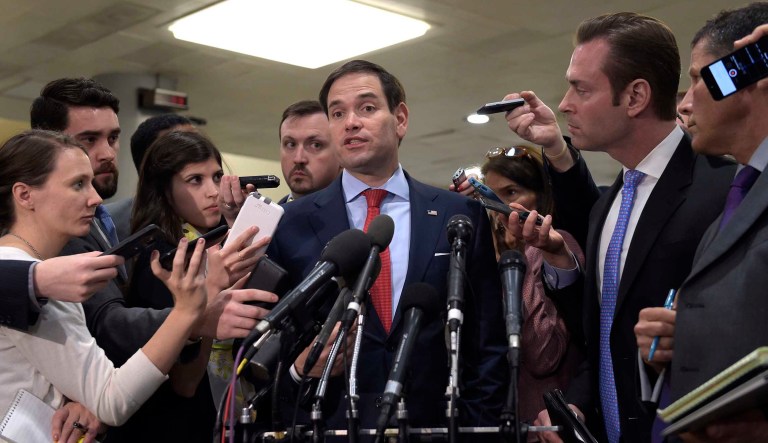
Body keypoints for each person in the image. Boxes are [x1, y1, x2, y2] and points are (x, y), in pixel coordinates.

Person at [502, 13, 735, 443]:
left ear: (635, 97)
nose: (566, 103)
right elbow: (606, 334)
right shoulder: (607, 207)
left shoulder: (722, 190)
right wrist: (578, 403)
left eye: (581, 88)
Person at [266, 59, 507, 430]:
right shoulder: (291, 225)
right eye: (337, 113)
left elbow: (487, 339)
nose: (351, 122)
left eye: (367, 108)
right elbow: (270, 351)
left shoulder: (457, 214)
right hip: (329, 427)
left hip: (435, 427)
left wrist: (476, 427)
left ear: (401, 119)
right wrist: (301, 370)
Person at [0, 130, 207, 437]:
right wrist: (186, 313)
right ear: (25, 195)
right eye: (78, 184)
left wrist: (80, 396)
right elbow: (112, 400)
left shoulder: (24, 269)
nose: (96, 199)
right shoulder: (38, 282)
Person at [635, 7, 768, 442]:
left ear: (751, 76)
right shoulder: (734, 203)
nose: (686, 102)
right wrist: (684, 342)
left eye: (698, 78)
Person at [105, 130, 268, 442]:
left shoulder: (214, 244)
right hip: (168, 426)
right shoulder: (162, 260)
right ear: (165, 191)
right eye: (195, 180)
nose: (212, 191)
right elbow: (186, 382)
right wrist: (210, 291)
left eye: (217, 176)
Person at [479, 145, 585, 428]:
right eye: (489, 195)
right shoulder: (492, 256)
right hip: (503, 421)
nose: (497, 206)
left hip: (547, 423)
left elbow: (543, 355)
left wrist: (525, 258)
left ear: (539, 195)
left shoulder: (558, 245)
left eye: (511, 193)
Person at [106, 113, 197, 241]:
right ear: (150, 165)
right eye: (182, 147)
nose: (199, 151)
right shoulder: (111, 223)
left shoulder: (223, 213)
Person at [278, 100, 340, 203]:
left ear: (341, 154)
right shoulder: (270, 218)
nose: (298, 159)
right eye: (291, 144)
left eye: (315, 145)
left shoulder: (362, 215)